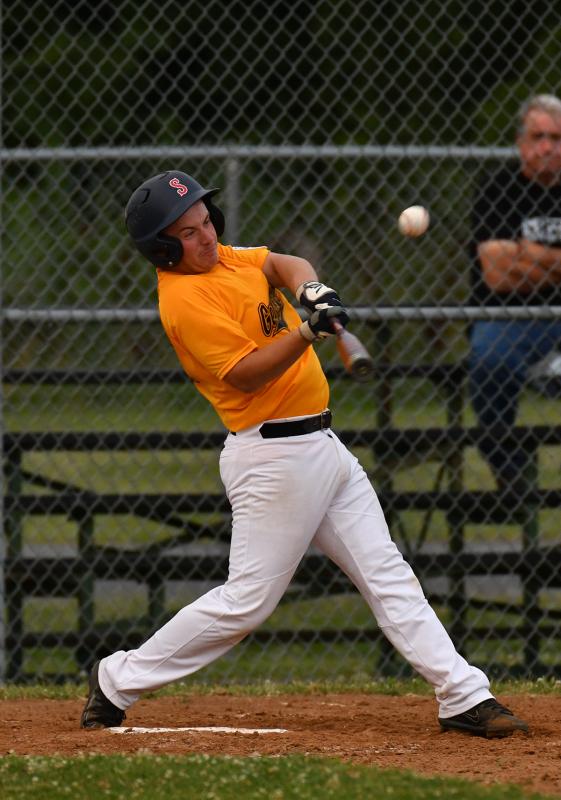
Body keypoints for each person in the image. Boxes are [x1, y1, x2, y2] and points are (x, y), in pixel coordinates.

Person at [80, 169, 528, 738]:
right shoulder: (185, 299)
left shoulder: (226, 259)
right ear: (162, 249)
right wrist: (305, 334)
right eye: (188, 233)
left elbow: (282, 264)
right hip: (274, 460)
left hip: (322, 445)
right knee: (246, 602)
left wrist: (309, 290)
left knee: (388, 573)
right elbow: (244, 375)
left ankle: (463, 694)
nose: (206, 236)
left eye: (205, 222)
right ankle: (117, 679)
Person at [469, 94, 561, 494]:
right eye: (539, 136)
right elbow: (496, 274)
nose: (547, 147)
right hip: (506, 316)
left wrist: (523, 255)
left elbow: (510, 262)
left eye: (557, 138)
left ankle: (549, 367)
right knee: (489, 361)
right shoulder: (497, 188)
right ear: (522, 142)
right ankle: (511, 470)